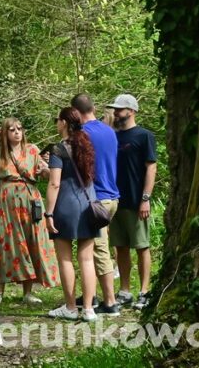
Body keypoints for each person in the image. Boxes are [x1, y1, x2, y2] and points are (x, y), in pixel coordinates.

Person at [0, 117, 58, 305]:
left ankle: (27, 292)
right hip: (6, 201)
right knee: (5, 242)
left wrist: (49, 166)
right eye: (11, 130)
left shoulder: (32, 150)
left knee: (30, 240)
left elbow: (46, 174)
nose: (17, 132)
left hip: (30, 199)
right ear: (5, 133)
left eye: (19, 128)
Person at [45, 107, 100, 322]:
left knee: (65, 259)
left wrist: (49, 213)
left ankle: (70, 307)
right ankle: (88, 309)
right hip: (88, 204)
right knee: (87, 259)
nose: (56, 123)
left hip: (66, 206)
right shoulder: (86, 144)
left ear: (65, 123)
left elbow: (54, 183)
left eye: (57, 120)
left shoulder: (58, 149)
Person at [71, 94, 121, 315]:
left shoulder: (83, 134)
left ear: (76, 113)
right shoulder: (109, 131)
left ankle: (110, 302)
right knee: (94, 249)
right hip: (112, 196)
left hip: (97, 199)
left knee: (98, 251)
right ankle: (92, 295)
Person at [105, 94, 157, 310]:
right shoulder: (112, 136)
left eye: (120, 109)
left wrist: (145, 198)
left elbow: (151, 167)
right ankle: (125, 291)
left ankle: (144, 291)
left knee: (142, 246)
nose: (116, 112)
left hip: (137, 201)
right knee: (121, 247)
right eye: (115, 109)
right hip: (116, 200)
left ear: (132, 111)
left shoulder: (145, 136)